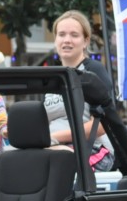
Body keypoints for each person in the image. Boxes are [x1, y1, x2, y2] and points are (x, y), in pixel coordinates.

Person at [44, 10, 115, 170]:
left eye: (74, 35)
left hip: (93, 150)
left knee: (55, 159)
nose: (67, 40)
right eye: (61, 34)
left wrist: (53, 138)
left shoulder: (93, 71)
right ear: (55, 39)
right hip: (53, 147)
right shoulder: (53, 76)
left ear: (85, 41)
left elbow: (102, 125)